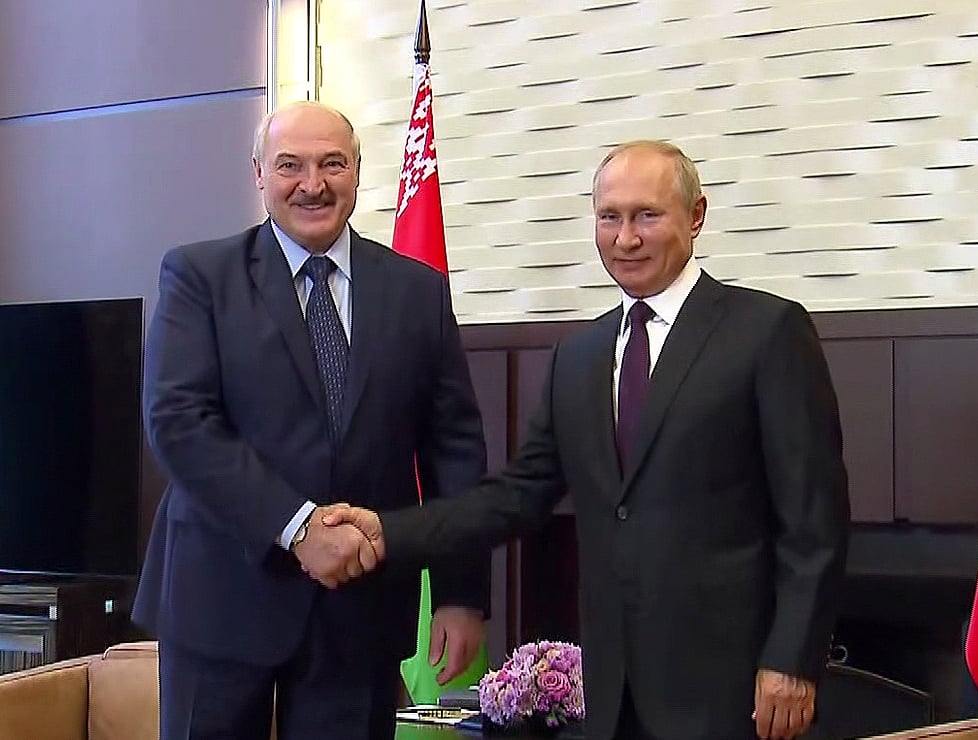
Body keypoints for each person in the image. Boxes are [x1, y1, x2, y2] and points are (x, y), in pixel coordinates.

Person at [325, 140, 851, 740]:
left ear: (696, 216)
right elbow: (515, 497)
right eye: (610, 217)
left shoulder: (767, 332)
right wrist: (389, 531)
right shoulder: (578, 358)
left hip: (734, 690)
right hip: (612, 693)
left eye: (646, 215)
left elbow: (814, 521)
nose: (626, 238)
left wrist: (793, 658)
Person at [133, 100, 490, 740]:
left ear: (357, 170)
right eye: (289, 165)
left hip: (360, 607)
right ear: (258, 174)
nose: (312, 184)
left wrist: (461, 593)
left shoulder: (418, 291)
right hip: (221, 596)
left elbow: (454, 450)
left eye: (332, 164)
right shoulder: (199, 277)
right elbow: (179, 423)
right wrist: (299, 528)